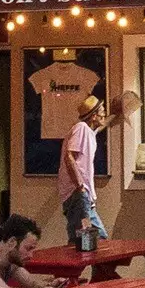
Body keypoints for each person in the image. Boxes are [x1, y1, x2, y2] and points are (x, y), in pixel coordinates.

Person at [56, 95, 112, 245]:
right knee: (81, 242)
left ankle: (100, 269)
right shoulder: (81, 129)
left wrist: (116, 114)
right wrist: (80, 185)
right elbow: (70, 155)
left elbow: (102, 126)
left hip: (84, 195)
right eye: (102, 111)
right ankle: (68, 267)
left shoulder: (88, 131)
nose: (104, 114)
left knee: (100, 239)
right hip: (79, 194)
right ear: (93, 116)